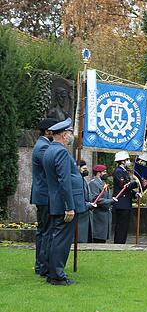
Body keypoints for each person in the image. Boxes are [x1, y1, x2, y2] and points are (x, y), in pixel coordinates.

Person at [42, 118, 86, 285]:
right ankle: (58, 276)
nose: (69, 136)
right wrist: (69, 206)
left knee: (55, 238)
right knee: (61, 240)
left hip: (56, 201)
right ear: (62, 135)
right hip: (64, 204)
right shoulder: (60, 151)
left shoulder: (50, 150)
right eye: (67, 133)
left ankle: (52, 272)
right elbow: (64, 180)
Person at [30, 117, 58, 277]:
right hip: (45, 196)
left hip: (43, 195)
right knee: (46, 232)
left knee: (43, 231)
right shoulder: (43, 148)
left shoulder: (42, 145)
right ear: (48, 131)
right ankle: (42, 266)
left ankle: (41, 265)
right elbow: (53, 167)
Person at [112, 151, 139, 244]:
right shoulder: (118, 171)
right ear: (122, 161)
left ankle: (122, 242)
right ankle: (119, 243)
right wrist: (136, 183)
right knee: (121, 225)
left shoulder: (124, 171)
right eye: (127, 159)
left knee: (124, 225)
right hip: (121, 203)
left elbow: (127, 189)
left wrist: (135, 194)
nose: (128, 161)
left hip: (126, 202)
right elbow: (124, 186)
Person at [88, 165, 113, 243]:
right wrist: (111, 201)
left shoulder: (103, 182)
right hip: (98, 215)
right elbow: (96, 199)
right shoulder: (94, 183)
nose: (106, 173)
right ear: (98, 173)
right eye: (104, 172)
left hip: (105, 215)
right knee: (98, 239)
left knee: (102, 240)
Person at [76, 160, 93, 243]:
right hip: (81, 211)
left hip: (86, 210)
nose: (86, 170)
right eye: (84, 168)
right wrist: (88, 204)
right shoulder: (77, 179)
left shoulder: (83, 179)